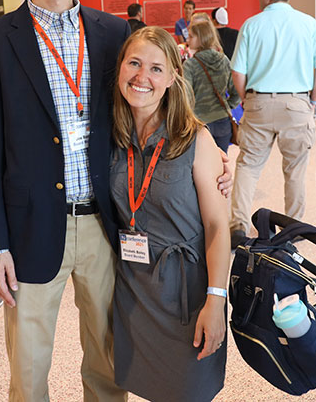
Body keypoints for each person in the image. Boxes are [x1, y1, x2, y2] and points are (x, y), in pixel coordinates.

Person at [0, 0, 233, 402]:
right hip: (28, 230)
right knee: (29, 369)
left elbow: (149, 102)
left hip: (107, 225)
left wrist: (213, 155)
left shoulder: (112, 32)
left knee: (111, 363)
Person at [110, 27, 229, 402]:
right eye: (134, 63)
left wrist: (216, 299)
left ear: (173, 78)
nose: (142, 77)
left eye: (156, 69)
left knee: (188, 391)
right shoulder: (112, 137)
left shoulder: (195, 139)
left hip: (188, 295)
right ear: (119, 69)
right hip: (135, 293)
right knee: (147, 388)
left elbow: (216, 226)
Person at [230, 0, 316, 248]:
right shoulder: (308, 23)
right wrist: (312, 101)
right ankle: (293, 229)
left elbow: (237, 71)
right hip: (297, 103)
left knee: (248, 166)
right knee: (295, 169)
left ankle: (238, 225)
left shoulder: (251, 25)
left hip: (258, 102)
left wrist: (246, 99)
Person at [183, 20, 240, 152]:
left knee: (201, 169)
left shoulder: (190, 65)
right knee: (222, 165)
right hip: (223, 122)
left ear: (201, 38)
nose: (187, 39)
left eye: (191, 36)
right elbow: (236, 91)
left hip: (200, 124)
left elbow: (186, 97)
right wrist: (227, 105)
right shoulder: (223, 59)